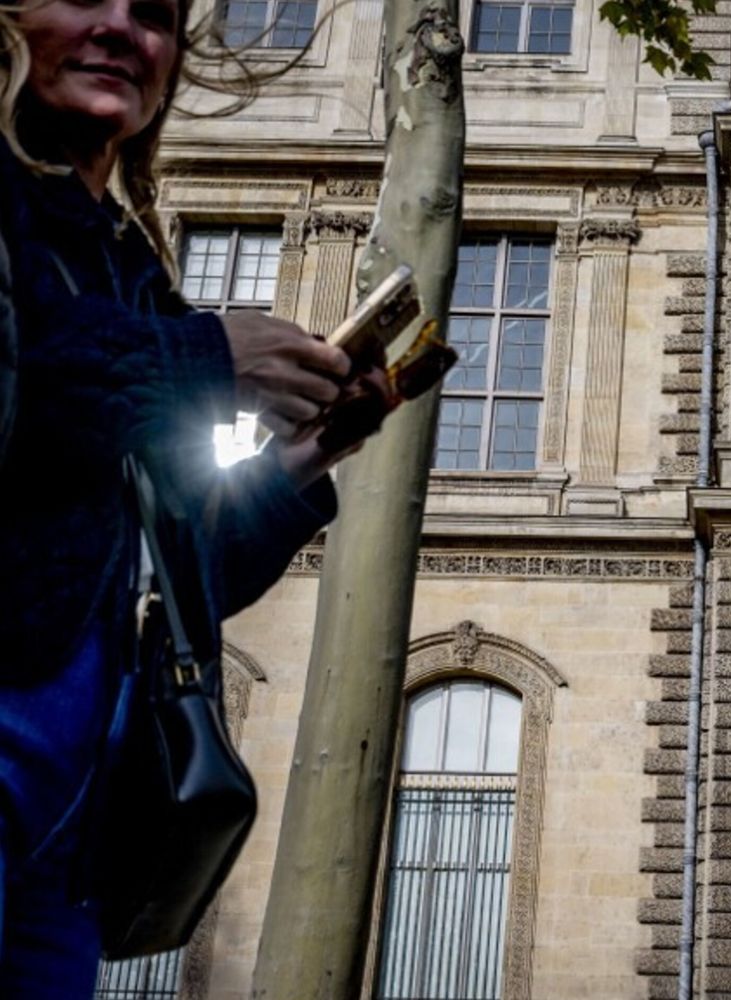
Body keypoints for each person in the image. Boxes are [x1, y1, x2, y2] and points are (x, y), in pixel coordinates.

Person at [0, 0, 389, 992]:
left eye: (156, 15)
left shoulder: (126, 266)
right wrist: (204, 358)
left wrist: (303, 460)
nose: (122, 28)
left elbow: (165, 580)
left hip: (71, 819)